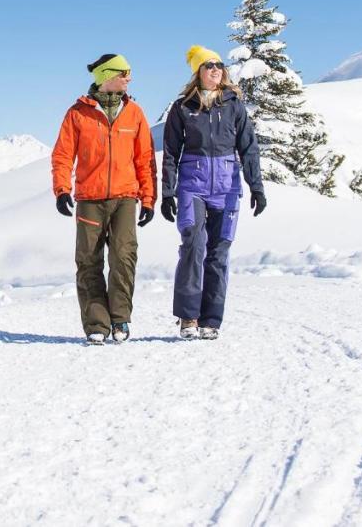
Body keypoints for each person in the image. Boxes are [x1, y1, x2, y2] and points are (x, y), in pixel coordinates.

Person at [160, 45, 266, 340]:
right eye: (209, 66)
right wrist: (168, 192)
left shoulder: (234, 105)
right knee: (193, 246)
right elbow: (170, 151)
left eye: (219, 65)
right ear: (198, 73)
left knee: (218, 253)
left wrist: (255, 186)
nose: (216, 70)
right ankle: (188, 318)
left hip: (227, 187)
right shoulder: (183, 107)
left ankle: (211, 320)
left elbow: (249, 148)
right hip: (192, 185)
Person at [51, 54, 157, 345]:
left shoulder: (134, 112)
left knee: (124, 257)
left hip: (125, 197)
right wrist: (61, 189)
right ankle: (97, 324)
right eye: (124, 72)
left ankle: (120, 317)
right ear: (106, 76)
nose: (129, 78)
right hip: (90, 198)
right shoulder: (78, 113)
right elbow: (62, 155)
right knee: (88, 261)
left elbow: (145, 159)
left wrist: (148, 199)